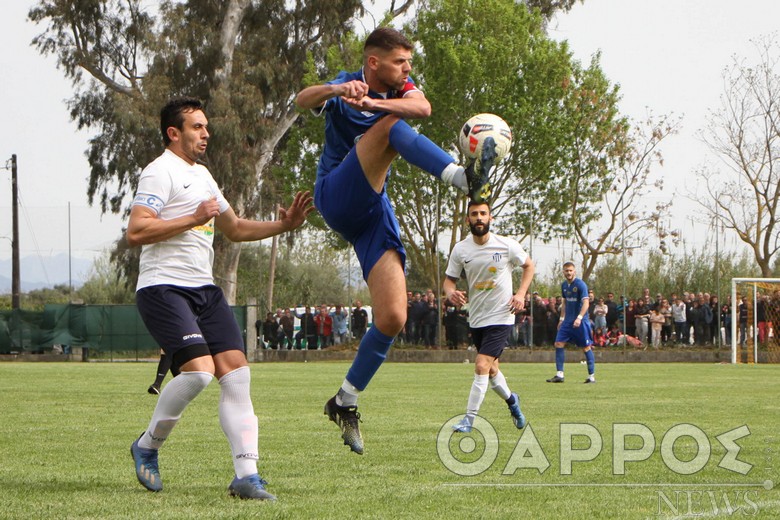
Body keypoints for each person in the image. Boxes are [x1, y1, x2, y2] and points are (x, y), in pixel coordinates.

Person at [295, 27, 495, 454]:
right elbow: (302, 100)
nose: (408, 68)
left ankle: (344, 401)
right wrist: (335, 90)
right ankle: (463, 177)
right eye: (400, 61)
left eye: (408, 61)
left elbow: (422, 107)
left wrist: (374, 102)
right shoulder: (346, 82)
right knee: (389, 128)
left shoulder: (399, 91)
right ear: (373, 63)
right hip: (335, 193)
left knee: (393, 318)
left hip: (372, 212)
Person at [126, 97, 313, 500]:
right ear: (173, 133)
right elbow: (137, 231)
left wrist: (284, 223)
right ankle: (147, 446)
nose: (206, 133)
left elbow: (235, 229)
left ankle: (246, 476)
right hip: (163, 287)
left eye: (206, 126)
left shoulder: (206, 177)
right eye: (197, 127)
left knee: (237, 375)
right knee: (197, 374)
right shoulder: (159, 172)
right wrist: (192, 218)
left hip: (204, 289)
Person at [443, 201, 534, 432]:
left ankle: (468, 420)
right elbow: (449, 281)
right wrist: (450, 294)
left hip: (502, 316)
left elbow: (529, 266)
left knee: (482, 364)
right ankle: (513, 402)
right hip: (477, 318)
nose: (479, 217)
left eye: (483, 213)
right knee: (492, 370)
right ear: (468, 220)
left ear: (490, 218)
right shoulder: (460, 249)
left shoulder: (506, 245)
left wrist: (521, 294)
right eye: (474, 214)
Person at [546, 262, 596, 383]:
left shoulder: (580, 285)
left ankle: (591, 376)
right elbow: (565, 303)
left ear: (574, 272)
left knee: (586, 347)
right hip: (567, 322)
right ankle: (559, 375)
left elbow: (586, 303)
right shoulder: (564, 285)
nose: (568, 273)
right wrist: (561, 319)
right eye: (566, 271)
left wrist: (579, 318)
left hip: (581, 321)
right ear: (563, 272)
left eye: (570, 270)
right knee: (558, 343)